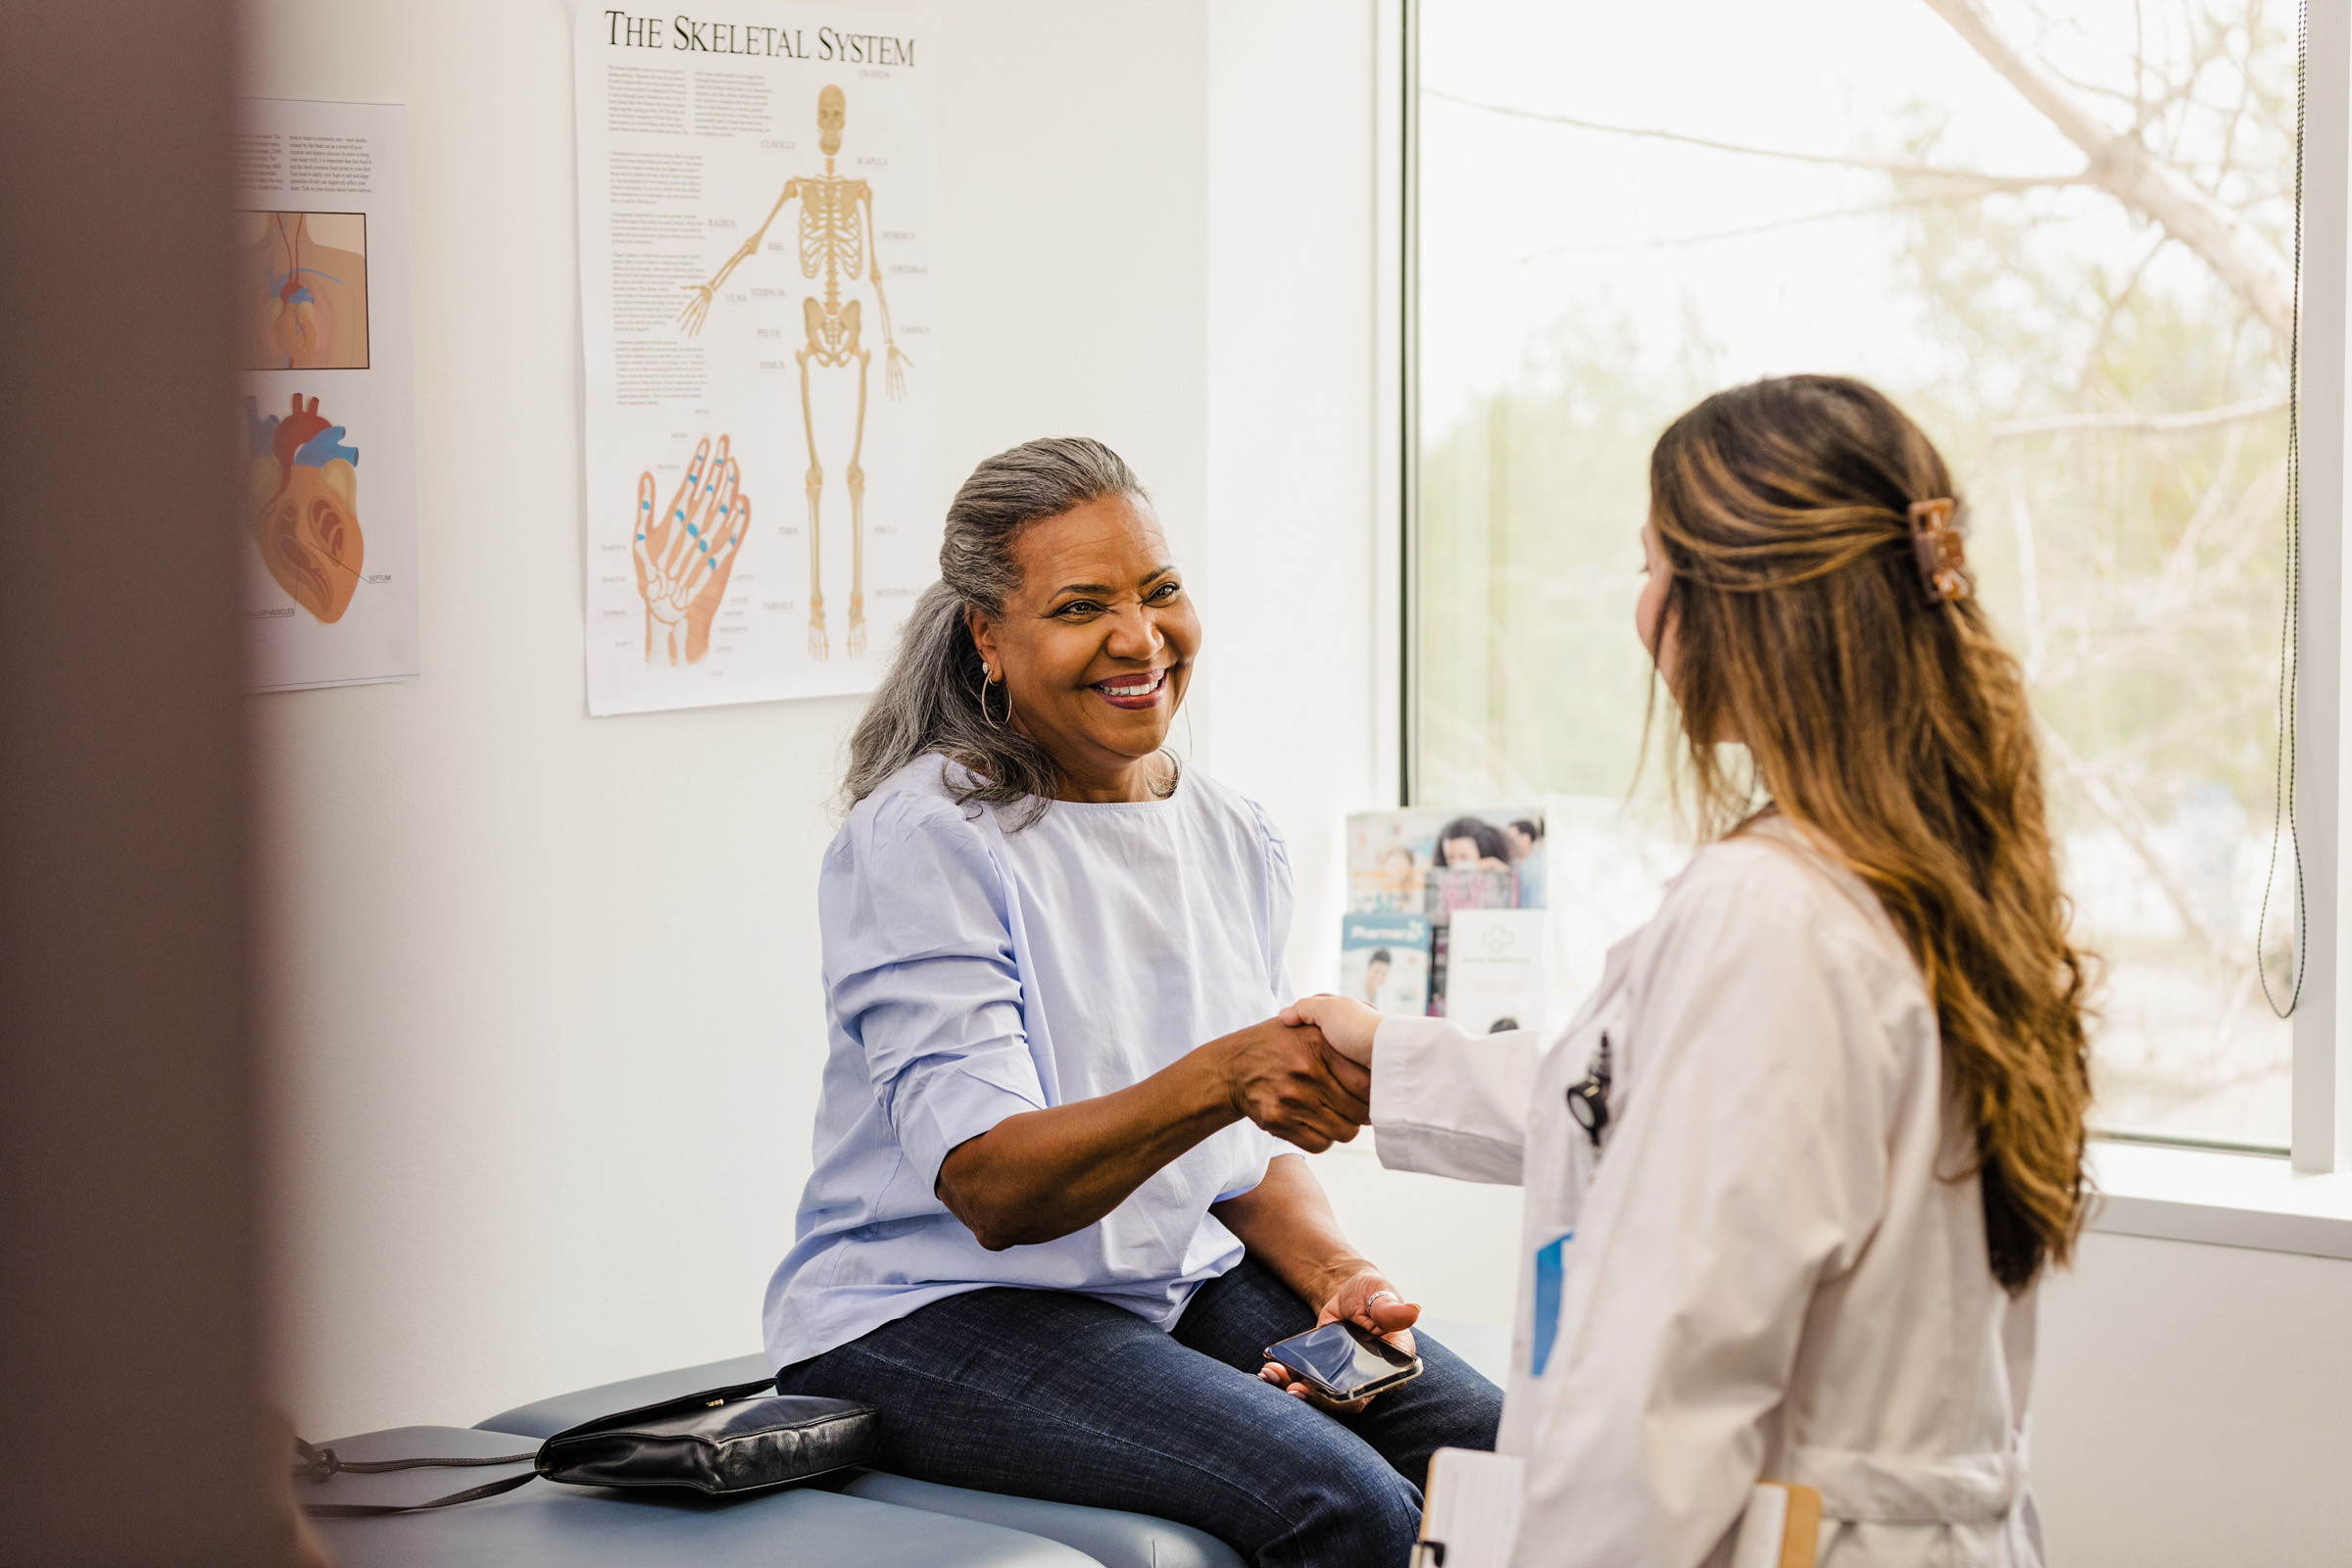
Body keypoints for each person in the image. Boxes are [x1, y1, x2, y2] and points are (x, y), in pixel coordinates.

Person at [1288, 377, 2089, 1566]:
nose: (1643, 609)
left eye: (1656, 569)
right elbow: (1655, 1110)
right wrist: (1396, 1058)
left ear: (1752, 608)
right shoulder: (1922, 866)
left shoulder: (1771, 915)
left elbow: (1659, 1410)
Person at [767, 437, 1501, 1566]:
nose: (1139, 637)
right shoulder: (925, 842)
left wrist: (1335, 1271)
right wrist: (1225, 1073)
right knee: (1340, 1503)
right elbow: (991, 1186)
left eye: (1160, 591)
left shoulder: (1230, 833)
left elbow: (1242, 1160)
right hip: (926, 1311)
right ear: (988, 637)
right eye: (1081, 605)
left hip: (1160, 1287)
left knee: (1502, 1460)